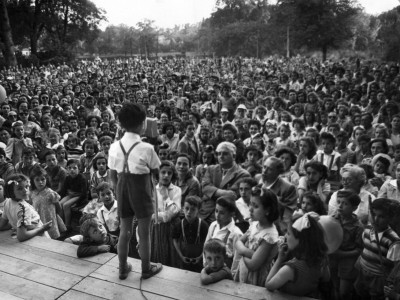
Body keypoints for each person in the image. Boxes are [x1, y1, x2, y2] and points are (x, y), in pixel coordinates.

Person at [108, 102, 162, 280]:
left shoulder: (114, 146)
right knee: (144, 232)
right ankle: (146, 268)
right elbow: (157, 172)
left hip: (122, 188)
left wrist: (118, 191)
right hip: (141, 189)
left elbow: (112, 175)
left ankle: (122, 268)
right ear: (143, 123)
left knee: (125, 231)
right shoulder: (147, 148)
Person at [266, 213, 330, 297]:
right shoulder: (320, 260)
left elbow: (268, 285)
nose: (285, 236)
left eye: (288, 233)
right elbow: (326, 278)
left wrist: (279, 260)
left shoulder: (290, 269)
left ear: (300, 241)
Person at [354, 198, 400, 299]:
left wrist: (390, 284)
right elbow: (365, 248)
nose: (375, 219)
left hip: (378, 278)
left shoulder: (393, 240)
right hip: (362, 272)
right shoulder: (367, 229)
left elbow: (395, 267)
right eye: (373, 214)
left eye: (381, 216)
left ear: (390, 218)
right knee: (360, 293)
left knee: (376, 296)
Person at [234, 188, 279, 286]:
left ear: (267, 210)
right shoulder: (254, 224)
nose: (250, 208)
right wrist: (249, 253)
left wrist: (242, 251)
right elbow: (237, 242)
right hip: (244, 271)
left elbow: (253, 265)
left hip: (257, 278)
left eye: (255, 206)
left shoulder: (269, 236)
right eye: (250, 204)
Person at [200, 141, 250, 224]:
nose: (221, 156)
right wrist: (222, 192)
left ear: (233, 156)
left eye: (225, 154)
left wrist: (212, 192)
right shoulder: (211, 169)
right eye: (219, 154)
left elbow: (232, 194)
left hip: (226, 215)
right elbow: (205, 187)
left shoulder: (243, 174)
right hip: (205, 212)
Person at [329, 191, 363, 300]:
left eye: (345, 204)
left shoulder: (358, 226)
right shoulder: (333, 218)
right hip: (332, 258)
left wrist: (341, 254)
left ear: (354, 208)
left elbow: (359, 250)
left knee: (344, 292)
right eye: (339, 202)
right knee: (334, 287)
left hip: (348, 261)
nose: (340, 206)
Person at [0, 174, 52, 242]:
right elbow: (22, 237)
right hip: (38, 239)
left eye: (27, 186)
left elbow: (1, 225)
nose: (25, 190)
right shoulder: (24, 208)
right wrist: (42, 228)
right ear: (11, 191)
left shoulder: (8, 202)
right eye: (20, 188)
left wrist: (16, 225)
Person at [151, 160, 181, 267]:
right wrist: (160, 215)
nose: (166, 175)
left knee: (170, 259)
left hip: (170, 230)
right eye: (163, 172)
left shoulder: (177, 190)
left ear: (173, 175)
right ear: (158, 174)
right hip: (155, 230)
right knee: (156, 256)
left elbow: (171, 214)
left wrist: (166, 197)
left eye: (169, 173)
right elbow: (150, 214)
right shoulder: (153, 190)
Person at [259, 156, 297, 233]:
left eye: (269, 169)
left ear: (278, 172)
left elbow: (287, 217)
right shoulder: (260, 184)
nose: (264, 171)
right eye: (264, 167)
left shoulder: (288, 188)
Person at [204, 197, 243, 270]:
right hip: (209, 268)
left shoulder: (236, 234)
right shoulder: (213, 225)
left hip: (225, 272)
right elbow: (205, 246)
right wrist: (206, 265)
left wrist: (232, 275)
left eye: (222, 213)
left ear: (232, 214)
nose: (217, 215)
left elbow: (237, 260)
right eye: (216, 211)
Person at [172, 195, 209, 272]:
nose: (189, 212)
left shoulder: (203, 225)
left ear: (198, 210)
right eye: (187, 208)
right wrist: (181, 256)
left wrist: (201, 257)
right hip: (184, 260)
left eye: (193, 209)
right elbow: (174, 240)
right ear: (183, 209)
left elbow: (207, 242)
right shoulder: (179, 225)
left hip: (199, 261)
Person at [30, 166, 66, 240]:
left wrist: (56, 219)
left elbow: (59, 208)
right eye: (37, 180)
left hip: (49, 220)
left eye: (43, 179)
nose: (40, 182)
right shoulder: (32, 193)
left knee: (53, 239)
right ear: (33, 181)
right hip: (38, 220)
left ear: (47, 179)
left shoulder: (50, 193)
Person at [59, 159, 88, 231]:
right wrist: (61, 198)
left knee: (66, 205)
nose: (72, 170)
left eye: (74, 168)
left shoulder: (82, 178)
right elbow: (64, 190)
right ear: (67, 169)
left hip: (79, 196)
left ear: (79, 169)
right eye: (69, 168)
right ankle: (61, 224)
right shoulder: (67, 178)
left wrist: (77, 204)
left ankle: (67, 226)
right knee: (60, 203)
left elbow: (84, 193)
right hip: (71, 194)